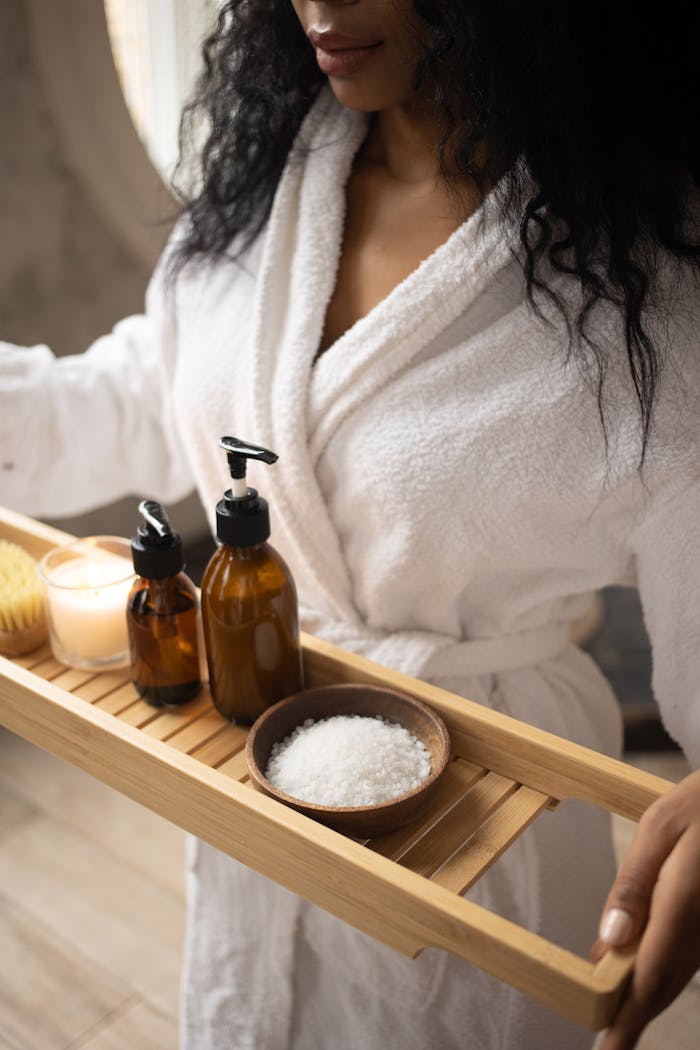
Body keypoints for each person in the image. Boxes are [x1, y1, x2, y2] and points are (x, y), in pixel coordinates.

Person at [1, 1, 699, 1048]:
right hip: (260, 760)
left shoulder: (647, 294)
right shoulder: (271, 175)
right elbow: (152, 392)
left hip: (485, 822)